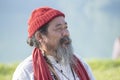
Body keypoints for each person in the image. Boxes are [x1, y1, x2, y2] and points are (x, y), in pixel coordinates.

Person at [12, 6, 95, 80]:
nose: (66, 33)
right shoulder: (26, 71)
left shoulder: (79, 63)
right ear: (40, 36)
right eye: (59, 29)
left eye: (66, 27)